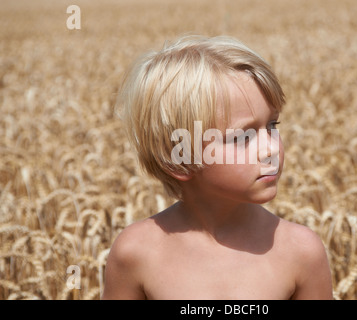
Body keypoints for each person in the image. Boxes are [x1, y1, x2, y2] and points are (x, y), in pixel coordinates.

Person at [101, 35, 333, 300]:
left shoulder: (302, 252)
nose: (271, 149)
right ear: (179, 157)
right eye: (242, 137)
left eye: (272, 126)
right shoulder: (135, 253)